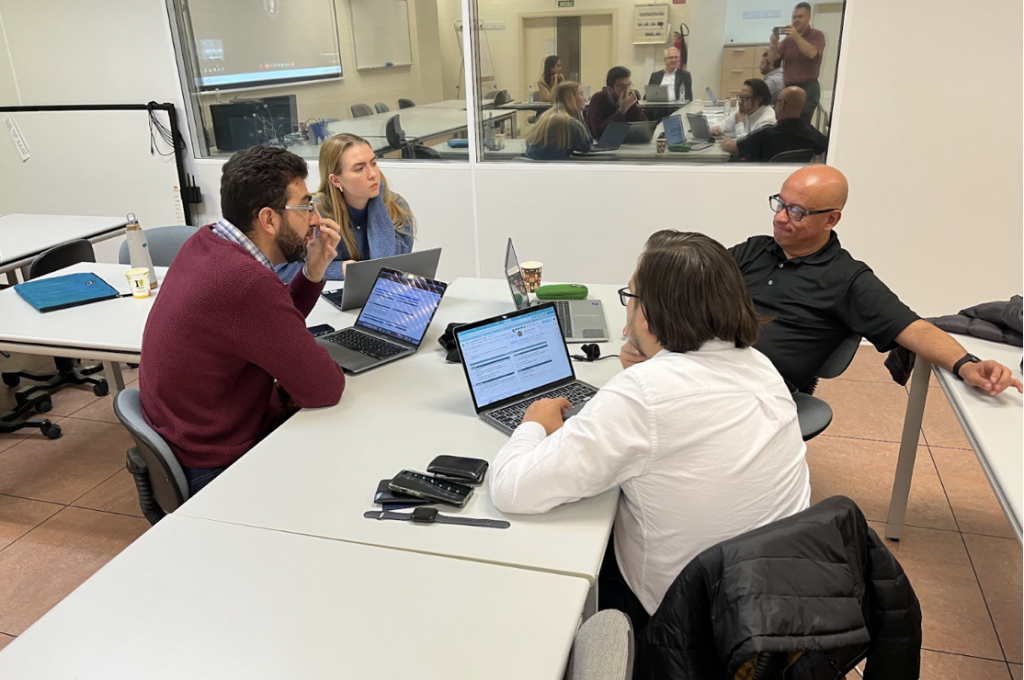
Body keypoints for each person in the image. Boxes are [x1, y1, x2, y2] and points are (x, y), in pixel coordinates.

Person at [489, 233, 811, 630]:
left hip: (681, 618)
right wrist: (645, 371)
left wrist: (533, 424)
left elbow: (511, 490)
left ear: (647, 315)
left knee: (560, 553)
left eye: (631, 296)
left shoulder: (642, 395)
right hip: (772, 595)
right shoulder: (758, 363)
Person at [620, 168, 1024, 400]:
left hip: (757, 390)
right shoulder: (753, 251)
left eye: (797, 211)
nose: (780, 218)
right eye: (780, 203)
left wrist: (968, 364)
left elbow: (912, 327)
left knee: (632, 397)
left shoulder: (847, 278)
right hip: (706, 368)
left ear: (831, 219)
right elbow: (688, 284)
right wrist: (649, 330)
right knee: (629, 372)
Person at [140, 146, 347, 495]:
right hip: (215, 460)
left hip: (186, 435)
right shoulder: (245, 282)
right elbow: (324, 389)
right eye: (304, 206)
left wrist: (312, 273)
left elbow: (267, 325)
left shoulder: (206, 242)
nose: (314, 218)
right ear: (268, 219)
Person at [275, 133, 415, 283]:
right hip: (323, 299)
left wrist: (377, 203)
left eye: (373, 163)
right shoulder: (314, 214)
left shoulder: (396, 207)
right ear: (335, 180)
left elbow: (388, 268)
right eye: (359, 169)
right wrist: (338, 270)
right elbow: (281, 271)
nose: (373, 174)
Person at [729, 86, 828, 162]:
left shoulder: (766, 134)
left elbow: (734, 147)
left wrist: (723, 142)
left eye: (777, 102)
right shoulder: (812, 133)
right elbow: (825, 147)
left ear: (782, 105)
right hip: (794, 180)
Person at [768, 2, 826, 124]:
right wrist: (773, 44)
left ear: (809, 17)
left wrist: (796, 36)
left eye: (800, 17)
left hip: (807, 88)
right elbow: (772, 59)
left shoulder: (817, 35)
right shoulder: (788, 39)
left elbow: (812, 53)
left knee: (800, 125)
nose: (796, 20)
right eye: (794, 17)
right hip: (788, 88)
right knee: (783, 123)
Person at [525, 81, 592, 160]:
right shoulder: (570, 124)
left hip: (532, 166)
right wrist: (579, 114)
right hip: (550, 169)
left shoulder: (546, 116)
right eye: (581, 94)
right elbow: (587, 144)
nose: (584, 98)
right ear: (571, 99)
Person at [585, 66, 647, 139]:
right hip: (601, 145)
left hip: (625, 143)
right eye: (622, 87)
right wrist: (621, 112)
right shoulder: (598, 99)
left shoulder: (630, 98)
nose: (627, 90)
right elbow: (599, 133)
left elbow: (644, 127)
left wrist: (634, 107)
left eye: (629, 85)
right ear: (610, 90)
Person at [713, 78, 777, 148]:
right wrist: (717, 127)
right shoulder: (746, 108)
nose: (740, 101)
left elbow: (747, 147)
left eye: (745, 98)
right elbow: (725, 123)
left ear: (759, 99)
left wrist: (739, 124)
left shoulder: (766, 120)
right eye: (740, 97)